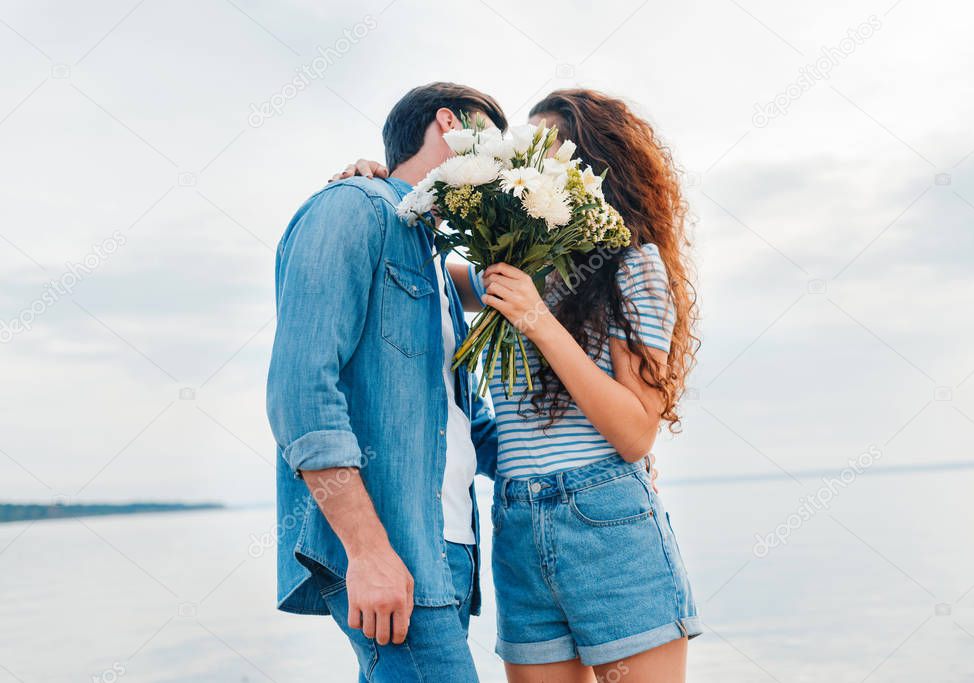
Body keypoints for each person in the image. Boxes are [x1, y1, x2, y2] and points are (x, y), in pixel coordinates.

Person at [334, 88, 702, 682]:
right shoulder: (517, 264)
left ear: (592, 171)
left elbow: (636, 434)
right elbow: (417, 272)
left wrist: (537, 320)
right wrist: (376, 190)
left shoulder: (635, 265)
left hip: (607, 521)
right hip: (517, 524)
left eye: (544, 151)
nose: (524, 166)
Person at [266, 82, 507, 683]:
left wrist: (598, 457)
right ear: (450, 124)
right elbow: (300, 394)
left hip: (449, 550)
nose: (503, 170)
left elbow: (464, 420)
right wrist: (368, 552)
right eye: (496, 149)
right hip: (391, 545)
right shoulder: (350, 208)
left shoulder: (435, 261)